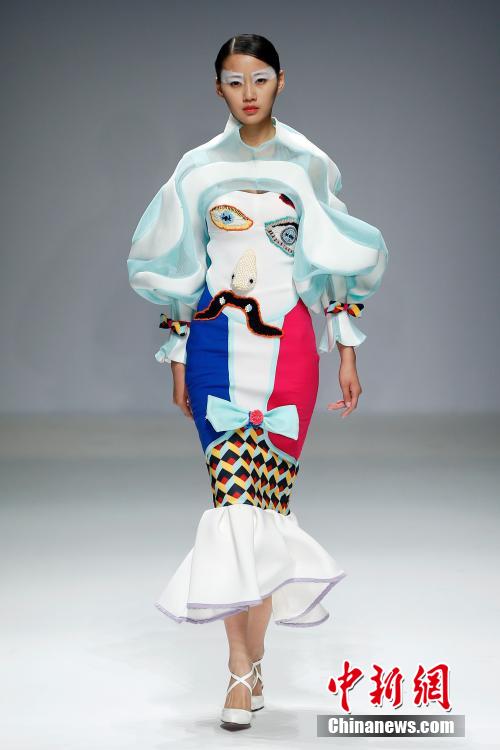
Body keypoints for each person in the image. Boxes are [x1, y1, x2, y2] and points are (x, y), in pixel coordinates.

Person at [127, 34, 388, 731]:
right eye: (235, 80)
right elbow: (178, 267)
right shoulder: (196, 170)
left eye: (261, 78)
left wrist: (348, 353)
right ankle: (239, 673)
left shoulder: (307, 164)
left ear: (280, 81)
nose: (249, 92)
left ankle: (255, 662)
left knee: (266, 512)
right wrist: (178, 355)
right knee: (232, 506)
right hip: (216, 347)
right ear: (218, 87)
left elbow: (334, 265)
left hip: (291, 351)